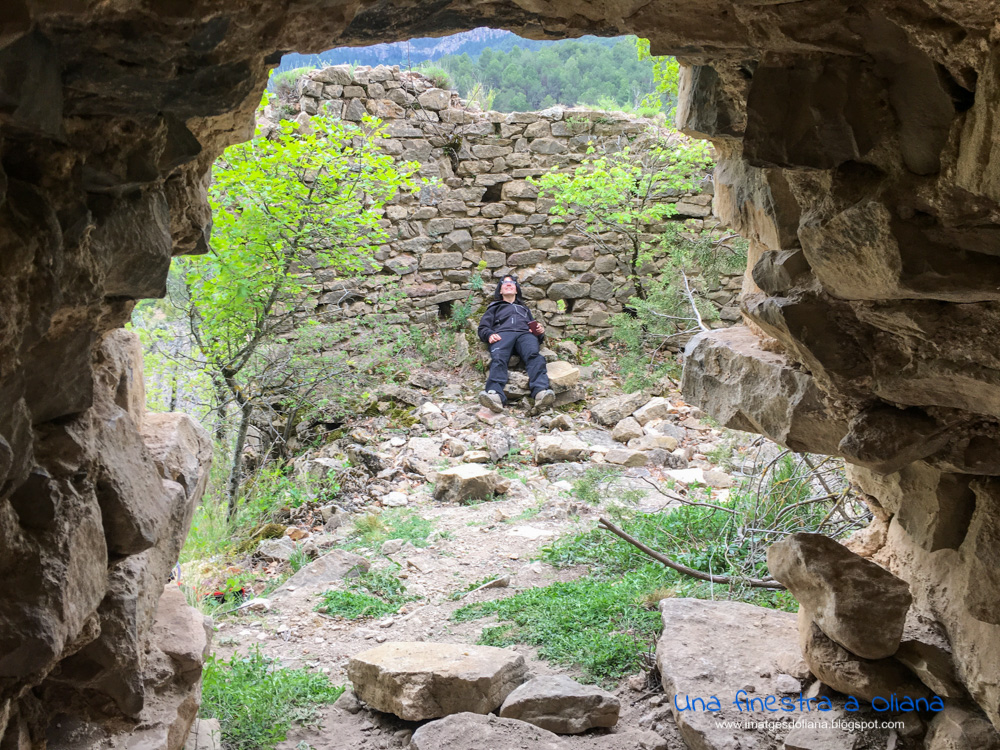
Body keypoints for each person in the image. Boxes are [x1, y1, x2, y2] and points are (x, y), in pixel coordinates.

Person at [477, 274, 555, 412]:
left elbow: (535, 331)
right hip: (502, 334)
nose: (508, 284)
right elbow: (483, 328)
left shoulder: (524, 309)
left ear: (516, 290)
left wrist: (539, 332)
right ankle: (495, 396)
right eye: (504, 282)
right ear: (500, 290)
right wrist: (489, 335)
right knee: (498, 357)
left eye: (512, 282)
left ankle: (541, 392)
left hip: (525, 335)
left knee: (534, 356)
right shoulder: (494, 307)